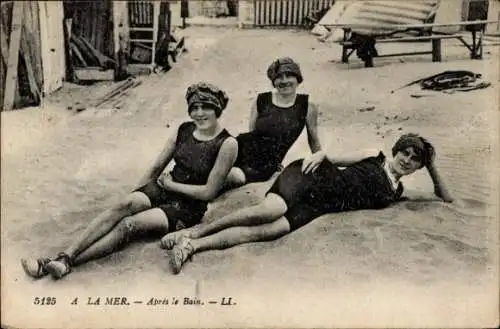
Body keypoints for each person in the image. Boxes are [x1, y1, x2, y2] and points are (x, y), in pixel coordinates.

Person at [21, 82, 238, 280]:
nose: (199, 114)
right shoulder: (184, 129)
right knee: (122, 207)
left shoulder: (227, 144)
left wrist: (172, 185)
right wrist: (134, 195)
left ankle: (64, 263)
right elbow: (156, 167)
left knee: (129, 224)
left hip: (188, 206)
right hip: (163, 189)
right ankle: (64, 257)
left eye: (206, 107)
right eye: (194, 108)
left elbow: (209, 192)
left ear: (217, 109)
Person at [160, 133, 454, 274]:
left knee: (269, 230)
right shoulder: (374, 154)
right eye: (405, 153)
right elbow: (329, 157)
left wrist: (432, 164)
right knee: (269, 210)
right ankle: (195, 232)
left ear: (418, 168)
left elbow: (446, 197)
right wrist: (316, 155)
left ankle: (192, 245)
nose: (407, 161)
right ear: (396, 150)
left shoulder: (397, 190)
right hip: (310, 178)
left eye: (415, 160)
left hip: (320, 206)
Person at [225, 57, 324, 188]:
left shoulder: (307, 106)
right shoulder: (262, 100)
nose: (284, 81)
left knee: (235, 177)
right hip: (239, 148)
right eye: (279, 77)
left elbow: (314, 140)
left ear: (298, 79)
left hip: (264, 165)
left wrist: (323, 164)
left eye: (289, 76)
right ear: (273, 81)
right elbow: (252, 134)